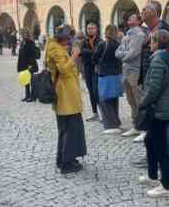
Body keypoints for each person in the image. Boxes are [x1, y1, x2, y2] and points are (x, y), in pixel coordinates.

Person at [133, 1, 169, 178]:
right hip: (151, 79)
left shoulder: (164, 31)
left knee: (163, 130)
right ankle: (154, 162)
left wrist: (148, 96)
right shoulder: (148, 31)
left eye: (144, 9)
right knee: (152, 133)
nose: (141, 12)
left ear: (153, 13)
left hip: (160, 87)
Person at [138, 29, 169, 198]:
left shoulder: (158, 60)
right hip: (164, 107)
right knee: (150, 139)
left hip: (159, 108)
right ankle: (153, 175)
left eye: (152, 41)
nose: (150, 44)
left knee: (160, 146)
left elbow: (154, 88)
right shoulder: (167, 58)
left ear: (157, 43)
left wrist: (142, 103)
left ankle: (166, 185)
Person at [45, 24, 87, 174]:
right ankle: (65, 163)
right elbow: (62, 69)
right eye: (69, 37)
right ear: (63, 37)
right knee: (68, 128)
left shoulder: (57, 46)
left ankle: (65, 158)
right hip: (65, 94)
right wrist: (75, 55)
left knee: (68, 128)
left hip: (67, 93)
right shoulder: (55, 48)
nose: (70, 40)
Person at [115, 14, 146, 140]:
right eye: (129, 17)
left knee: (139, 100)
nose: (129, 18)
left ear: (139, 21)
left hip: (135, 71)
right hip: (126, 70)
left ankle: (144, 128)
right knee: (131, 100)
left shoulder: (139, 35)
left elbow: (134, 53)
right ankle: (136, 125)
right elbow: (117, 52)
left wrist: (123, 57)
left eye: (133, 17)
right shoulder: (126, 35)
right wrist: (123, 56)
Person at [93, 25, 123, 134]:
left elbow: (94, 58)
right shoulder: (118, 44)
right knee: (114, 99)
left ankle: (110, 125)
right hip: (116, 74)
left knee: (104, 100)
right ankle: (116, 121)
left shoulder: (102, 44)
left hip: (105, 74)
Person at [80, 22, 101, 122]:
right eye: (88, 28)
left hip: (96, 69)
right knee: (91, 92)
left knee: (96, 91)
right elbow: (80, 52)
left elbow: (98, 53)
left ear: (96, 29)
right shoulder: (85, 41)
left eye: (92, 28)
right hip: (87, 69)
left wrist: (86, 51)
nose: (90, 30)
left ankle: (102, 112)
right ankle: (95, 113)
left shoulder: (99, 40)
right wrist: (90, 52)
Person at [17, 28, 39, 102]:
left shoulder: (30, 42)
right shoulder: (22, 42)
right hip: (23, 64)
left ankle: (33, 97)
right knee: (26, 81)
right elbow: (21, 54)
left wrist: (30, 64)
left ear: (28, 34)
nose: (23, 35)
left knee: (32, 81)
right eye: (22, 33)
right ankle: (27, 96)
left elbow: (32, 54)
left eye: (25, 33)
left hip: (30, 65)